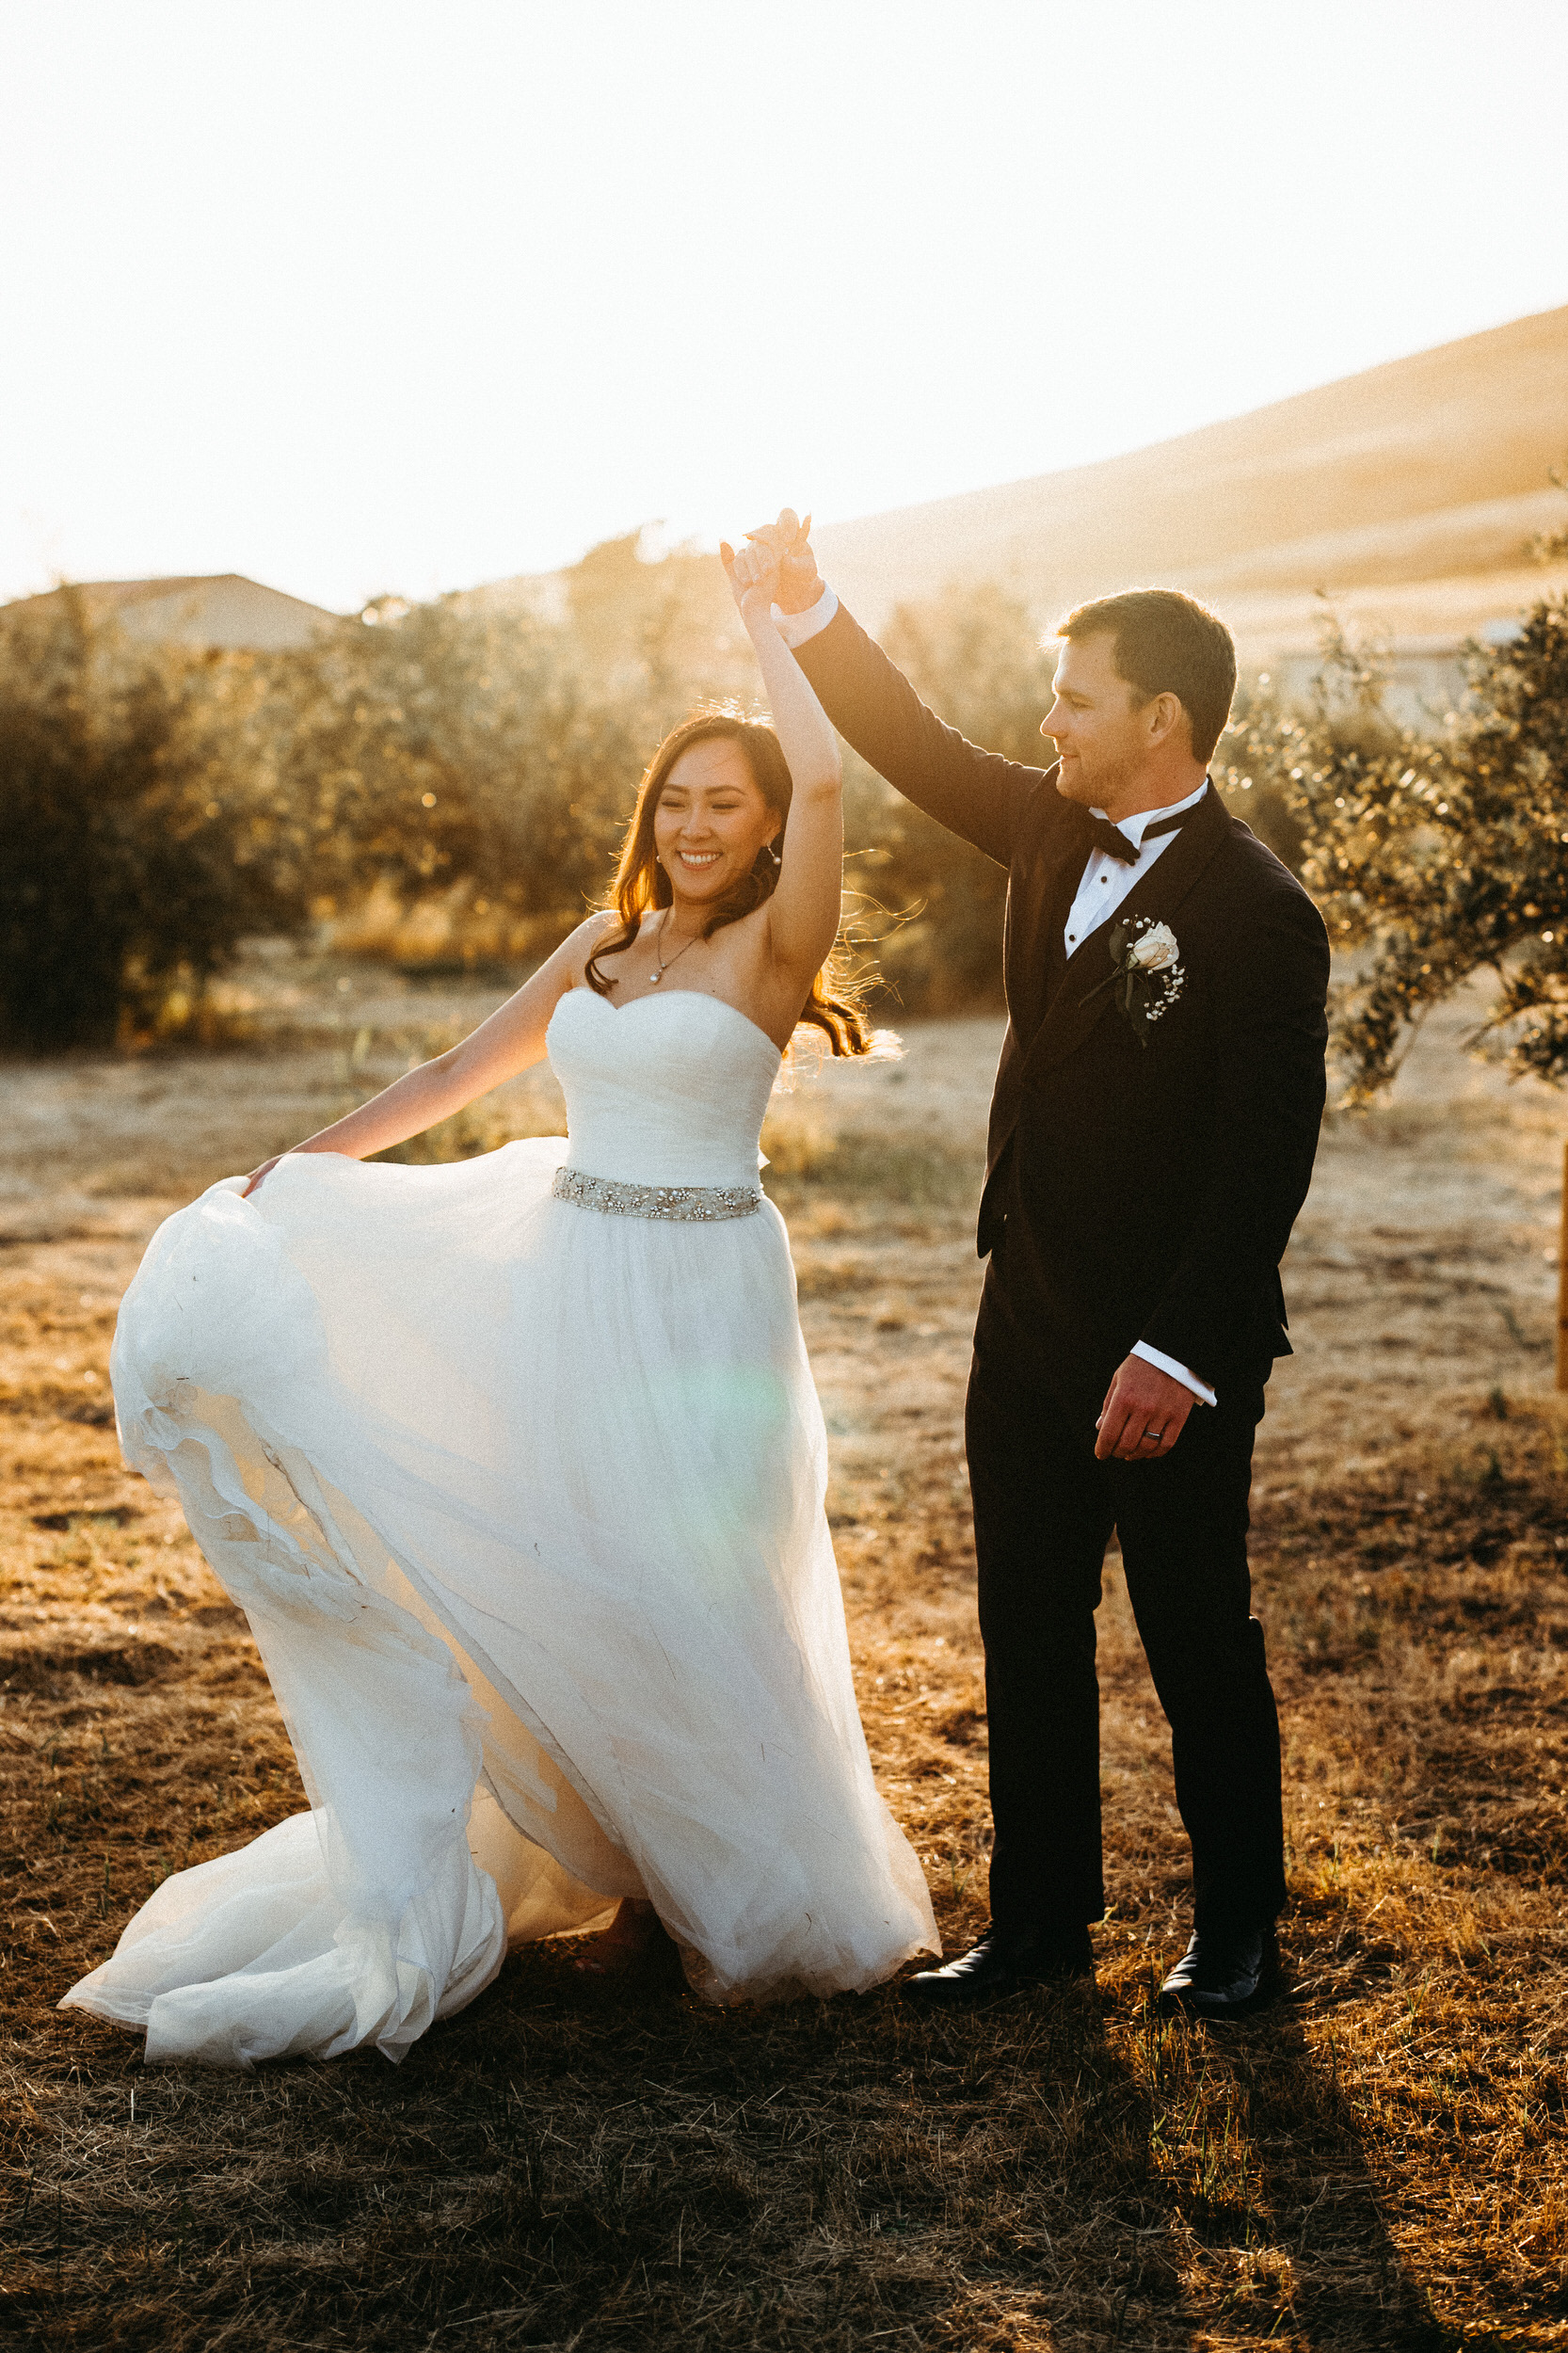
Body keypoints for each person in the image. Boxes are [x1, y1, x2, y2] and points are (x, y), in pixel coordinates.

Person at [61, 539, 936, 2069]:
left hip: (700, 1293)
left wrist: (771, 625)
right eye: (676, 801)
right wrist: (306, 1163)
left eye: (725, 803)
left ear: (766, 824)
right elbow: (461, 1071)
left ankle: (707, 1891)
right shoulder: (604, 945)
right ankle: (625, 1865)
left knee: (697, 1577)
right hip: (566, 1275)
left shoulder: (770, 949)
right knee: (579, 1565)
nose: (696, 825)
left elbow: (830, 776)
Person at [744, 511, 1329, 2017]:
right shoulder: (1049, 826)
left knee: (1193, 1633)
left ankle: (1238, 1936)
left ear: (1160, 718)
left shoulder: (1259, 912)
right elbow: (908, 740)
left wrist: (1175, 1353)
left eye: (1075, 700)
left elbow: (1262, 1164)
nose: (1048, 724)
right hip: (1026, 1313)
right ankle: (1037, 1926)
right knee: (1025, 1622)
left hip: (1169, 1344)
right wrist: (809, 608)